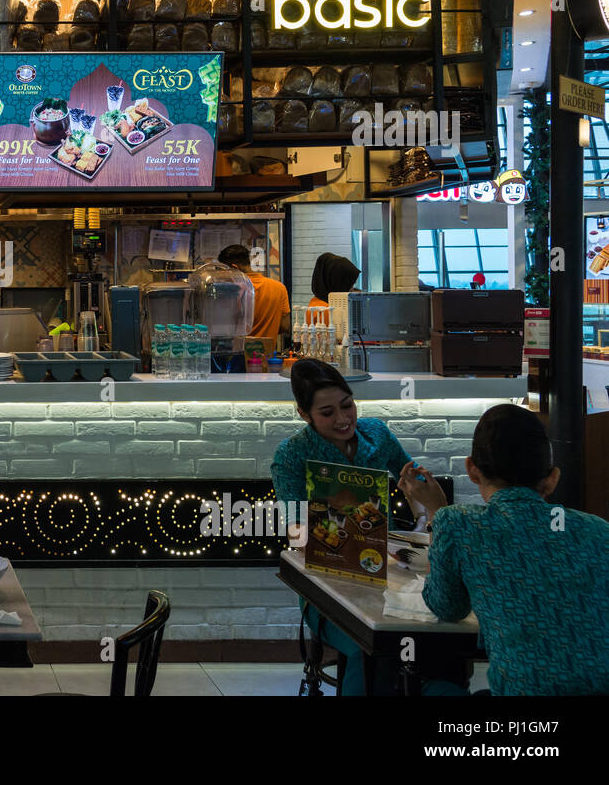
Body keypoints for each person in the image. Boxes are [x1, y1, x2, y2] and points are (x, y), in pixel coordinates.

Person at [399, 404, 609, 695]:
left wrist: (436, 514)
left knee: (436, 688)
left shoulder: (458, 523)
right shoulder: (599, 530)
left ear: (471, 469)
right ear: (552, 478)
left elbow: (447, 606)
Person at [272, 358, 423, 695]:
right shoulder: (292, 455)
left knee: (423, 642)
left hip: (388, 572)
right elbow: (297, 534)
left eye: (347, 405)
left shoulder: (377, 434)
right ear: (303, 414)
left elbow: (413, 483)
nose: (342, 419)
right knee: (369, 646)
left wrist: (422, 503)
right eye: (327, 413)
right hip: (328, 587)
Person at [219, 244, 291, 345]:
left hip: (238, 356)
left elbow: (223, 328)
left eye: (224, 272)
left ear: (235, 267)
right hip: (267, 356)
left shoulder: (231, 290)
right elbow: (285, 326)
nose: (223, 276)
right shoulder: (279, 288)